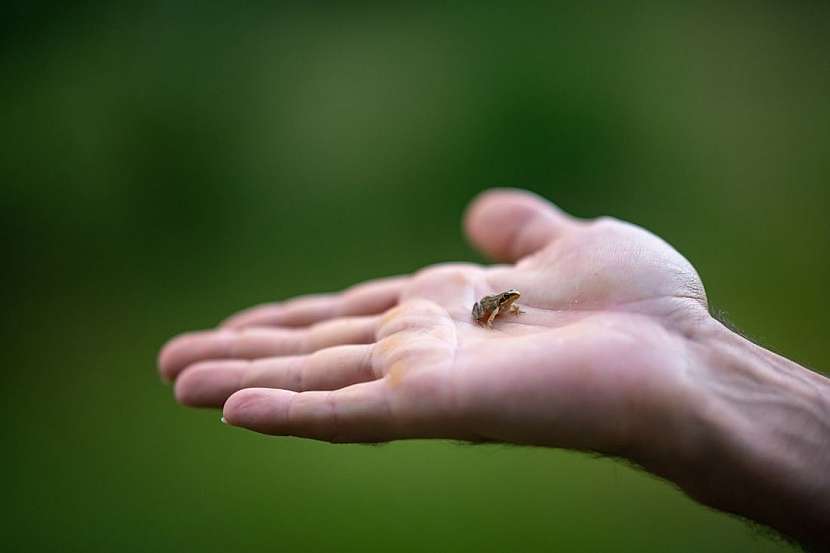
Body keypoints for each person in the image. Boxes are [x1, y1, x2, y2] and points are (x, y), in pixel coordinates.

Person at [158, 188, 829, 548]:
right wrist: (708, 365)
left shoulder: (511, 301)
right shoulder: (495, 303)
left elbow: (501, 308)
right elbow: (493, 309)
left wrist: (695, 354)